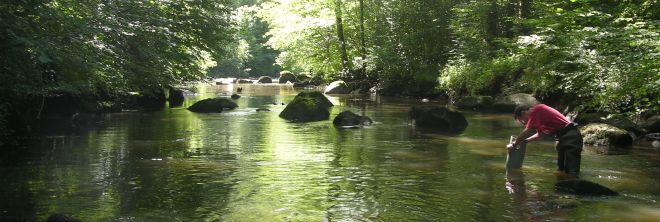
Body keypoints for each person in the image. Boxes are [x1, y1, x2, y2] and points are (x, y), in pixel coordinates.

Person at [507, 104, 583, 176]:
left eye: (522, 120)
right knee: (561, 170)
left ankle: (573, 187)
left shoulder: (537, 110)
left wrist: (514, 144)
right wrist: (523, 142)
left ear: (524, 113)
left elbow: (528, 131)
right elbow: (540, 135)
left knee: (571, 171)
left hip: (571, 136)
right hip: (562, 138)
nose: (524, 123)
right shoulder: (539, 118)